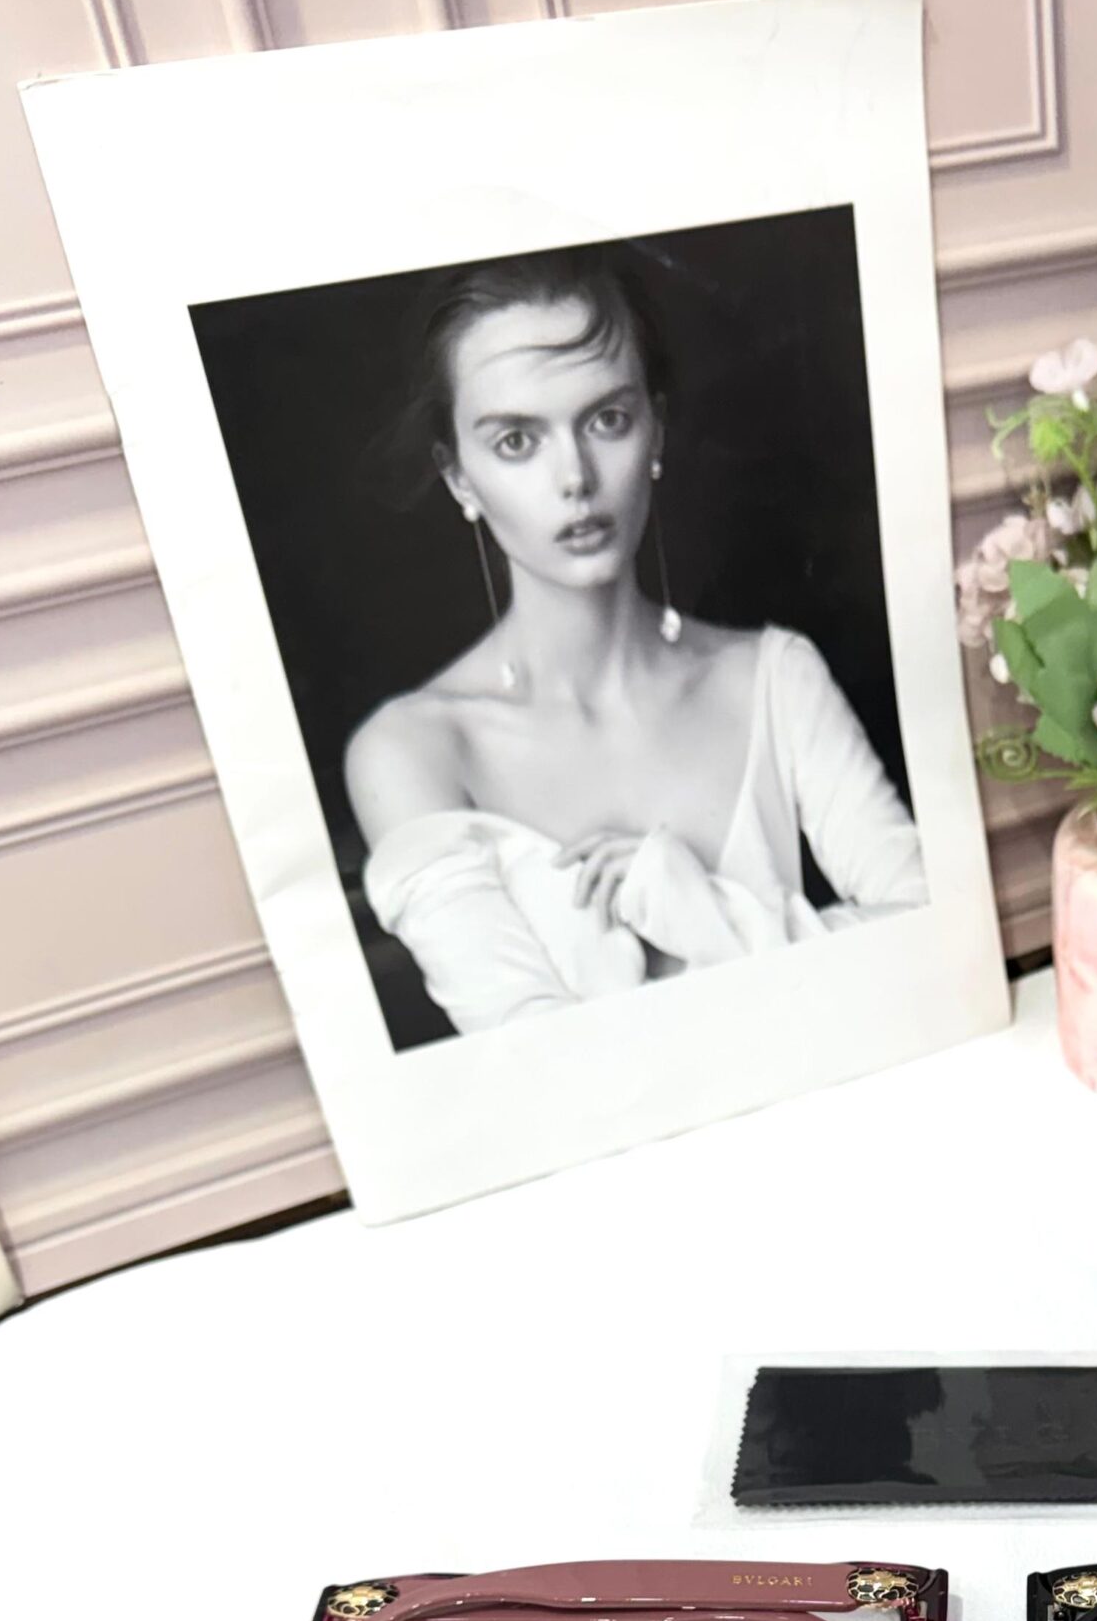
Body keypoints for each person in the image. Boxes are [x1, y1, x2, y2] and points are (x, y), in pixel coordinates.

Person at [345, 248, 927, 1035]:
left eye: (607, 420)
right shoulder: (411, 753)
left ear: (655, 430)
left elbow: (928, 939)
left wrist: (700, 911)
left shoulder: (775, 678)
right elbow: (534, 1068)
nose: (575, 477)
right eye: (516, 441)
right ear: (458, 478)